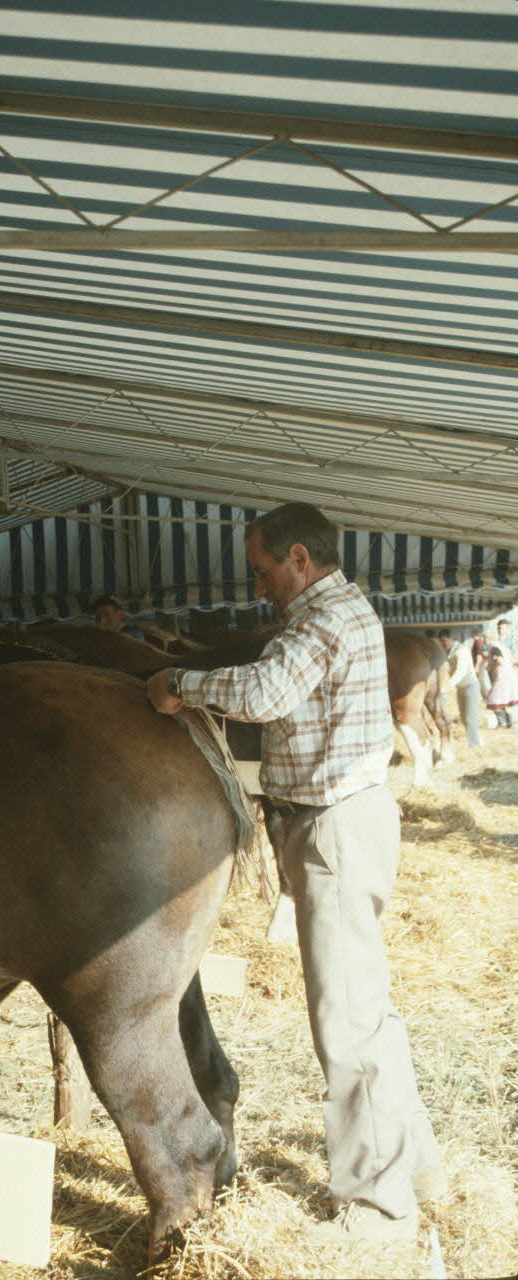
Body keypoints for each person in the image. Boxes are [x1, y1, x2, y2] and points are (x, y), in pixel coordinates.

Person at [146, 502, 443, 1244]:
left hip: (334, 828)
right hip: (346, 818)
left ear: (300, 559)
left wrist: (181, 681)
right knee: (368, 1008)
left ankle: (378, 1209)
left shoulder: (321, 620)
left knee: (345, 1020)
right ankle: (417, 1166)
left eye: (264, 571)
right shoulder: (342, 610)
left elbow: (264, 694)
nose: (260, 588)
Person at [437, 628, 481, 747]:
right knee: (463, 716)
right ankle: (472, 742)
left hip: (470, 686)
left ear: (452, 639)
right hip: (461, 687)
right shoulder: (448, 650)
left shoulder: (461, 650)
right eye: (441, 641)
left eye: (445, 641)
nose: (443, 643)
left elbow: (461, 671)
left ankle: (475, 745)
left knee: (470, 717)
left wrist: (448, 686)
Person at [486, 620, 517, 728]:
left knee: (495, 698)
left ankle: (504, 722)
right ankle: (508, 722)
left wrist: (490, 667)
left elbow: (500, 660)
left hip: (502, 674)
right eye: (499, 628)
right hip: (505, 673)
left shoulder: (503, 643)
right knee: (504, 698)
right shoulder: (498, 643)